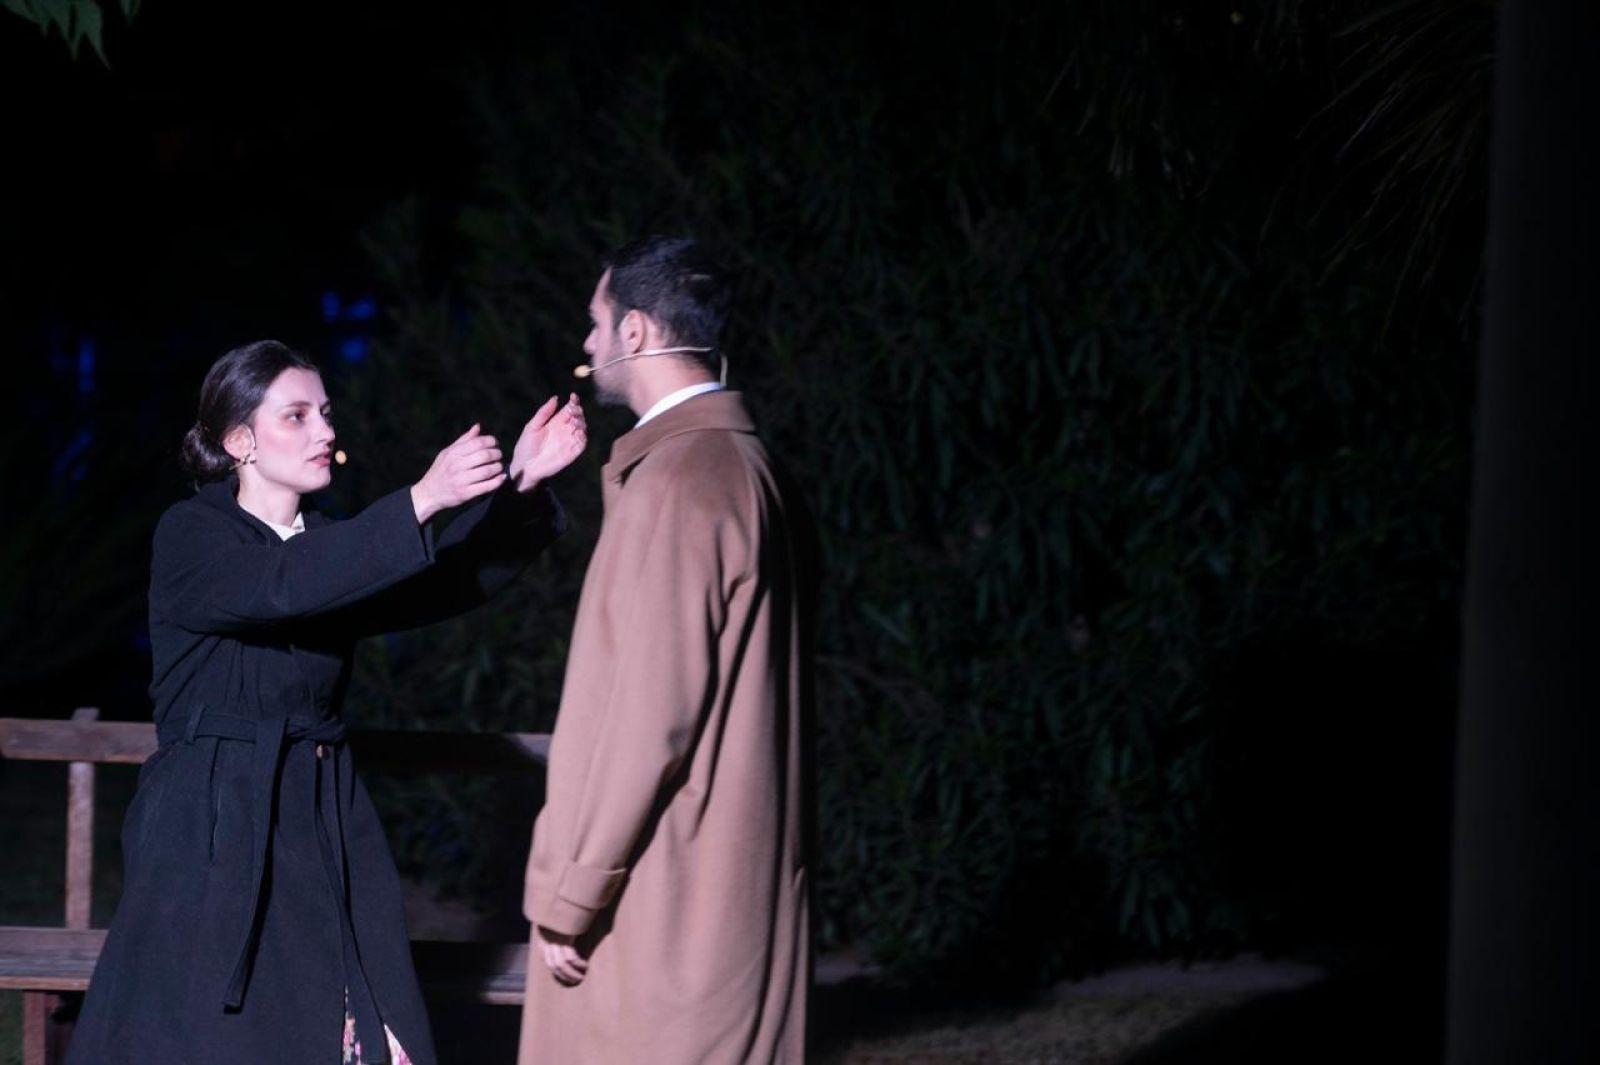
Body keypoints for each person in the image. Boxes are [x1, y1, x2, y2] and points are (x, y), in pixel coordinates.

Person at [66, 339, 586, 1065]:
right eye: (297, 415)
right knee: (215, 1037)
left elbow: (438, 583)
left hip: (319, 814)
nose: (324, 430)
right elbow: (279, 585)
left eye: (326, 413)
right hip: (210, 829)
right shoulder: (192, 535)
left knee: (357, 1026)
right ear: (240, 441)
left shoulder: (333, 542)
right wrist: (423, 498)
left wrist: (519, 487)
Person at [520, 237, 814, 1064]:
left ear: (636, 331)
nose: (588, 342)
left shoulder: (682, 479)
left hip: (666, 904)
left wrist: (572, 892)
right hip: (733, 891)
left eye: (596, 321)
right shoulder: (749, 465)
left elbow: (650, 716)